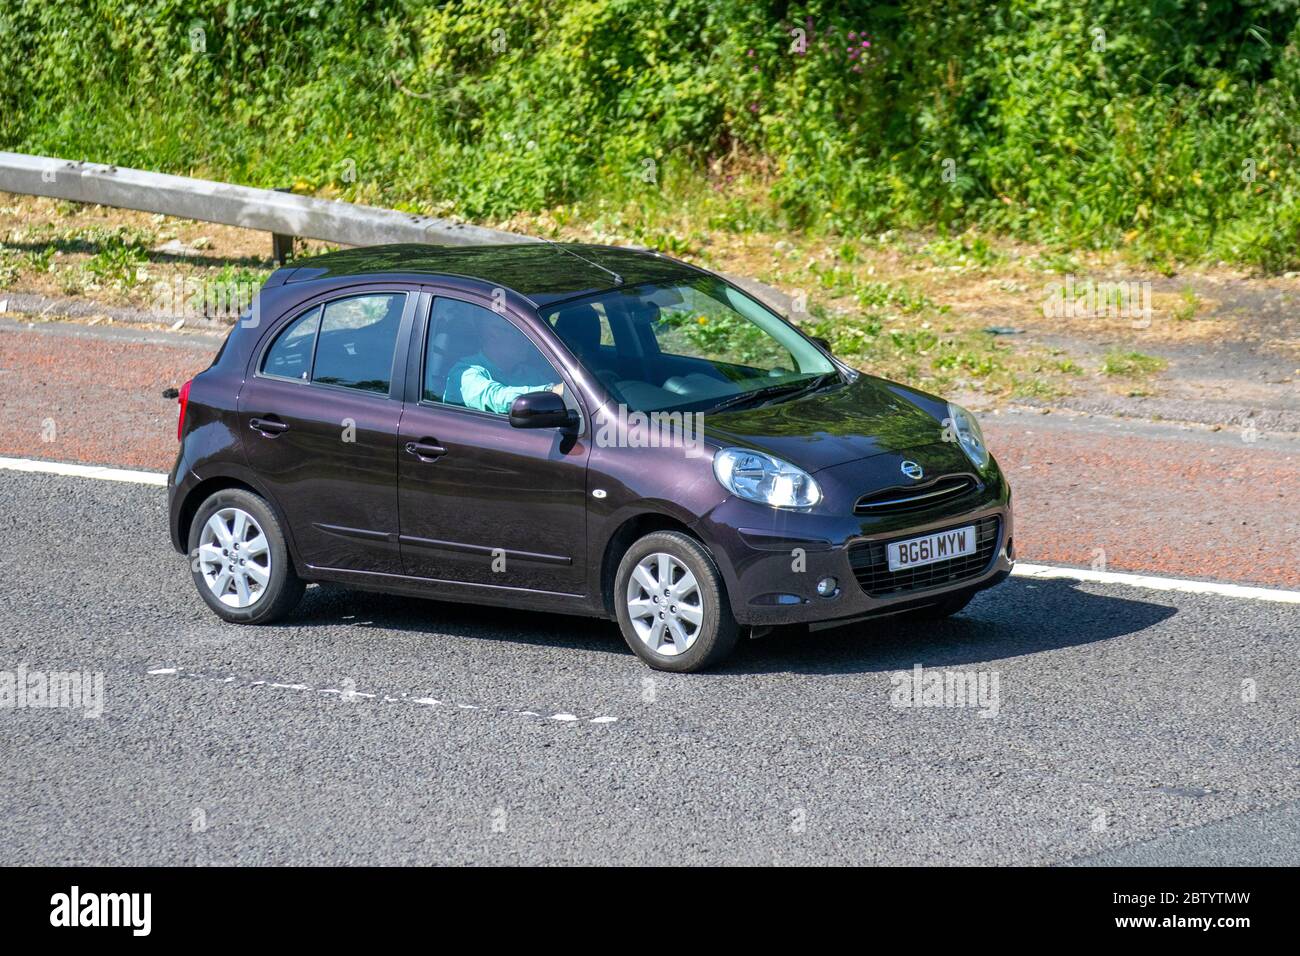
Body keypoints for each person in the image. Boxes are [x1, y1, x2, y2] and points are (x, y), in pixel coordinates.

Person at [446, 317, 564, 414]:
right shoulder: (465, 373)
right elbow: (496, 398)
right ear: (493, 335)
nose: (527, 342)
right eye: (519, 334)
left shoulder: (528, 373)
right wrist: (551, 391)